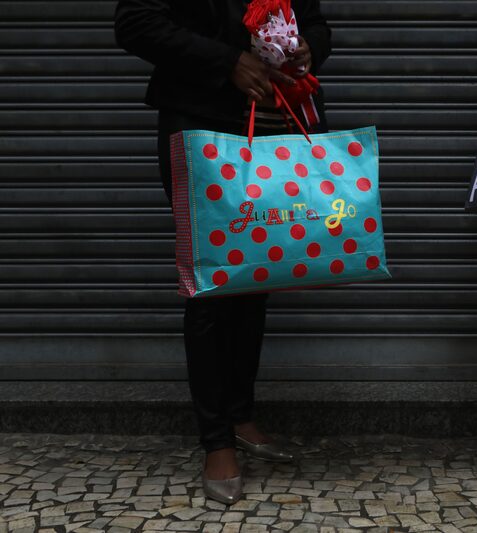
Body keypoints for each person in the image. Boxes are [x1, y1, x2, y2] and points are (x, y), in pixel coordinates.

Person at [114, 0, 331, 504]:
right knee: (210, 283)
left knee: (257, 275)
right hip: (201, 121)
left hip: (276, 119)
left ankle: (240, 415)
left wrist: (308, 49)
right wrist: (227, 61)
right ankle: (215, 440)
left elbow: (316, 21)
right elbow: (136, 23)